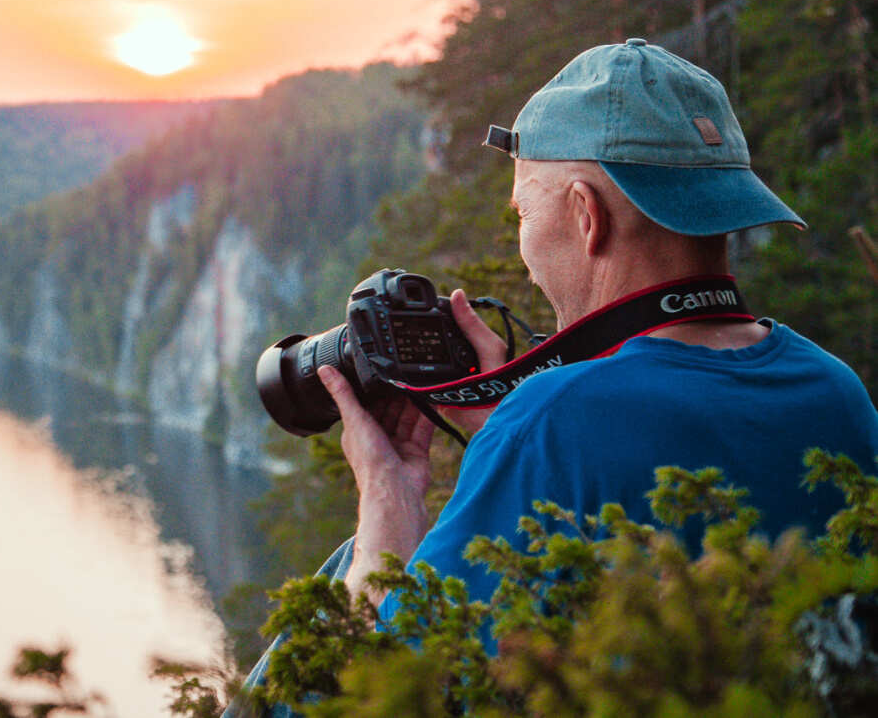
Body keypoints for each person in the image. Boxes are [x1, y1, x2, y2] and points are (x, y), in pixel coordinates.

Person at [236, 39, 878, 708]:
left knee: (344, 579)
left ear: (585, 214)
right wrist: (506, 438)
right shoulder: (835, 389)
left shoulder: (554, 426)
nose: (524, 245)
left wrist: (384, 522)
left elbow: (382, 694)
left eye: (523, 211)